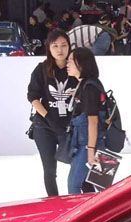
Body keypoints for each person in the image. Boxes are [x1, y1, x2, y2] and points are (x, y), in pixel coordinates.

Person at [27, 29, 77, 197]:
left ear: (69, 46)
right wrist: (48, 118)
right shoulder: (42, 69)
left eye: (64, 45)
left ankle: (81, 200)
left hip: (69, 128)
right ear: (49, 48)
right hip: (44, 126)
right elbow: (33, 97)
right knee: (49, 170)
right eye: (55, 46)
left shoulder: (76, 68)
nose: (60, 50)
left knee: (77, 166)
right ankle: (54, 202)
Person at [66, 47, 107, 194]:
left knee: (74, 185)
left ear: (82, 63)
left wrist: (90, 151)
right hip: (91, 142)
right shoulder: (87, 84)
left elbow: (93, 121)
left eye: (71, 60)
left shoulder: (89, 87)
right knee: (100, 187)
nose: (67, 64)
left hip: (88, 144)